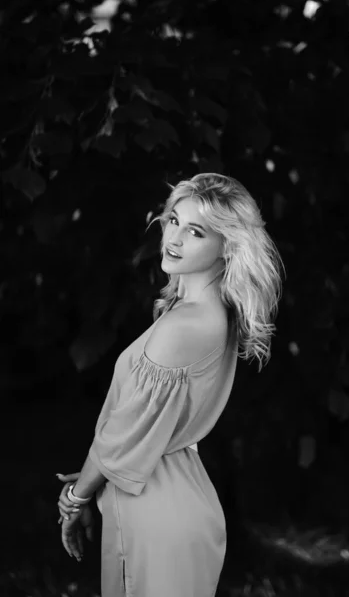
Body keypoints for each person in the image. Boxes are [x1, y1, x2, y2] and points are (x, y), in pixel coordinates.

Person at [56, 172, 284, 597]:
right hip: (177, 501)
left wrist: (77, 496)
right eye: (174, 220)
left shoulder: (184, 325)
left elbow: (120, 437)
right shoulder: (212, 311)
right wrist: (95, 481)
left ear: (227, 246)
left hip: (155, 515)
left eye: (195, 231)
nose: (174, 237)